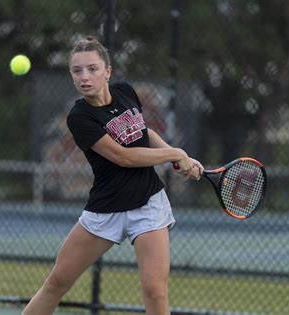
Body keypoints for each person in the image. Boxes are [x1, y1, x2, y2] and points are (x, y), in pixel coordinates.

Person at [22, 36, 203, 315]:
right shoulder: (79, 117)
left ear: (107, 71)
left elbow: (145, 132)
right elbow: (124, 156)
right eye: (77, 71)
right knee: (57, 281)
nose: (84, 76)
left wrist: (179, 156)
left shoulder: (126, 92)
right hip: (105, 209)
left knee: (155, 292)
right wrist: (174, 154)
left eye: (92, 69)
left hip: (148, 204)